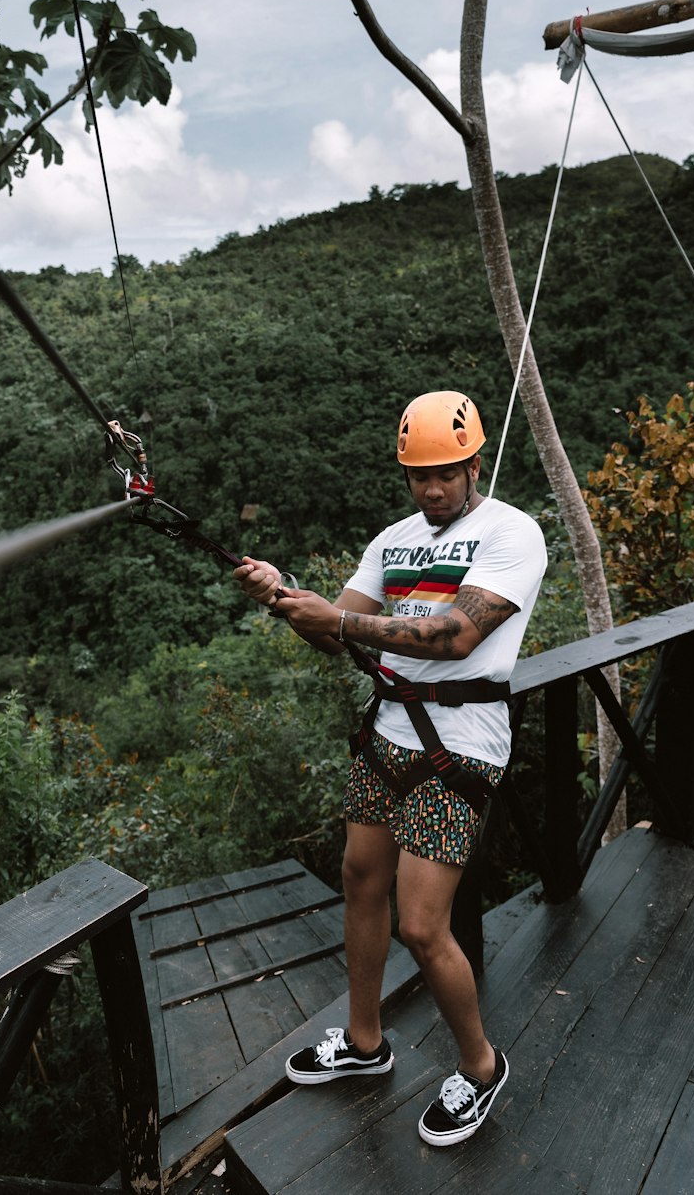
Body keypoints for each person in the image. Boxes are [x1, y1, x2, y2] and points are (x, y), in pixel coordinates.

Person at [233, 390, 546, 1147]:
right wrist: (286, 598)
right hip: (388, 732)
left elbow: (456, 635)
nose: (432, 489)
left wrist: (338, 620)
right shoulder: (394, 539)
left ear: (474, 465)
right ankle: (366, 1043)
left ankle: (479, 1066)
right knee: (360, 881)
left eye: (445, 473)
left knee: (421, 923)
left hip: (461, 746)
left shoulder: (512, 533)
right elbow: (339, 637)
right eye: (418, 476)